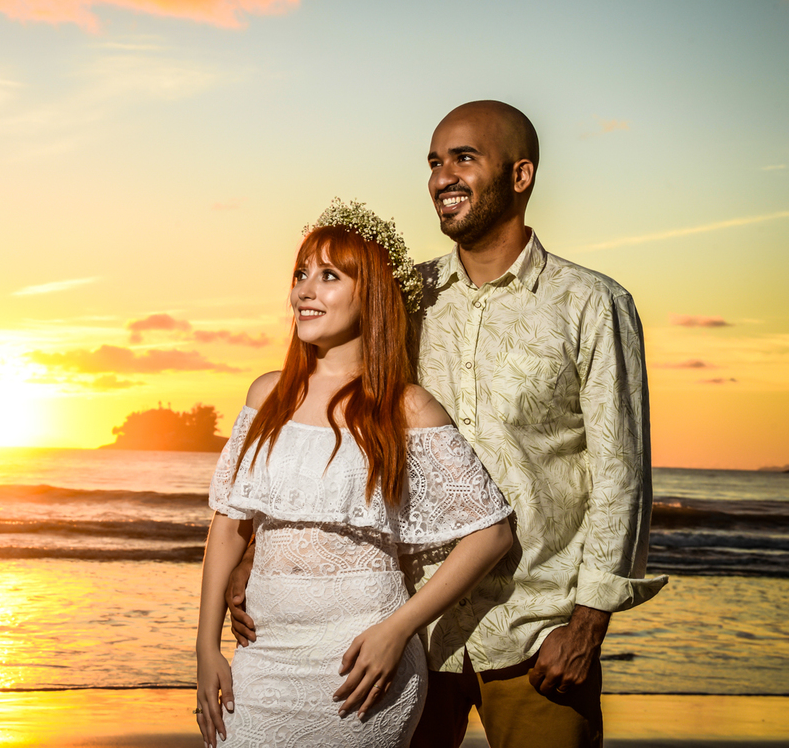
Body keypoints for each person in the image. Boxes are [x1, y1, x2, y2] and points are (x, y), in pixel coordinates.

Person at [227, 102, 669, 748]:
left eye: (464, 158)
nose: (442, 177)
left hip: (534, 632)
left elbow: (620, 475)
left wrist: (586, 625)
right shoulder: (406, 297)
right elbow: (323, 428)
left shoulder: (592, 304)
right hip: (403, 632)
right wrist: (253, 554)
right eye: (435, 162)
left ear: (520, 175)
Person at [196, 200, 514, 748]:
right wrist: (205, 647)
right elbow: (229, 526)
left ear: (372, 294)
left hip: (361, 665)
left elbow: (492, 534)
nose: (304, 290)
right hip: (262, 660)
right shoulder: (266, 395)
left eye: (329, 276)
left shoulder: (408, 408)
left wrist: (399, 629)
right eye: (300, 274)